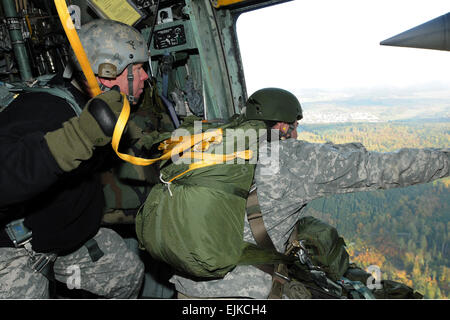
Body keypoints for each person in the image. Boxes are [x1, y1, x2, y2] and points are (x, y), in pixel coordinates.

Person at [169, 87, 450, 299]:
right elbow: (388, 169)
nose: (297, 132)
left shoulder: (212, 145)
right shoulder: (290, 160)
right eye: (296, 125)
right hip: (242, 293)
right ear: (283, 126)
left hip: (188, 285)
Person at [0, 19, 150, 299]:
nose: (145, 77)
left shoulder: (83, 104)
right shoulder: (46, 111)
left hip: (67, 240)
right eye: (139, 68)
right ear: (106, 73)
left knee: (124, 273)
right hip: (15, 250)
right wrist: (77, 138)